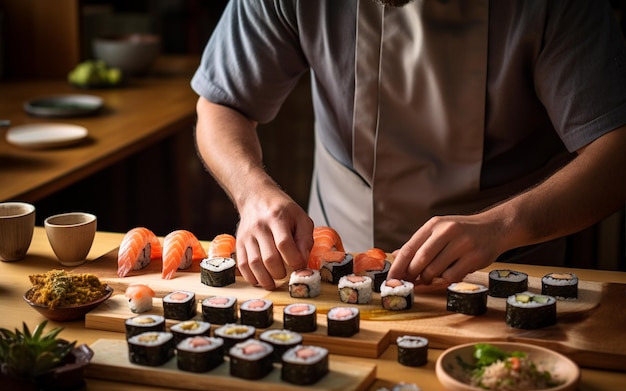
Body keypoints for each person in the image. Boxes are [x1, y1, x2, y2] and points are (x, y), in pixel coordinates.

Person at [191, 0, 626, 290]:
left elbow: (617, 151)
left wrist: (503, 225)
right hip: (330, 260)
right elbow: (221, 104)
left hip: (508, 265)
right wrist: (254, 193)